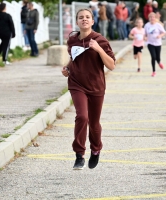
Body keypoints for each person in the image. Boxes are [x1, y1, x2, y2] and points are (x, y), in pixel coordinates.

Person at [61, 9, 115, 169]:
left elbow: (111, 65)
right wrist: (67, 68)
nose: (84, 20)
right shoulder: (72, 40)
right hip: (77, 84)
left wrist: (98, 49)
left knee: (94, 122)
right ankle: (79, 154)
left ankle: (96, 149)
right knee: (82, 116)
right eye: (81, 18)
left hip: (96, 86)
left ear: (92, 21)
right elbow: (74, 59)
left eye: (87, 17)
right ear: (77, 22)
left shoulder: (101, 40)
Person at [144, 12, 166, 77]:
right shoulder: (147, 25)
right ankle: (154, 71)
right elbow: (144, 34)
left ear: (155, 18)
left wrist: (160, 35)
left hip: (158, 43)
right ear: (149, 18)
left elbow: (164, 32)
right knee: (153, 57)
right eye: (150, 17)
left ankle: (159, 62)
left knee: (158, 57)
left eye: (153, 17)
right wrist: (145, 37)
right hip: (150, 43)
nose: (152, 18)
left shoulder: (158, 25)